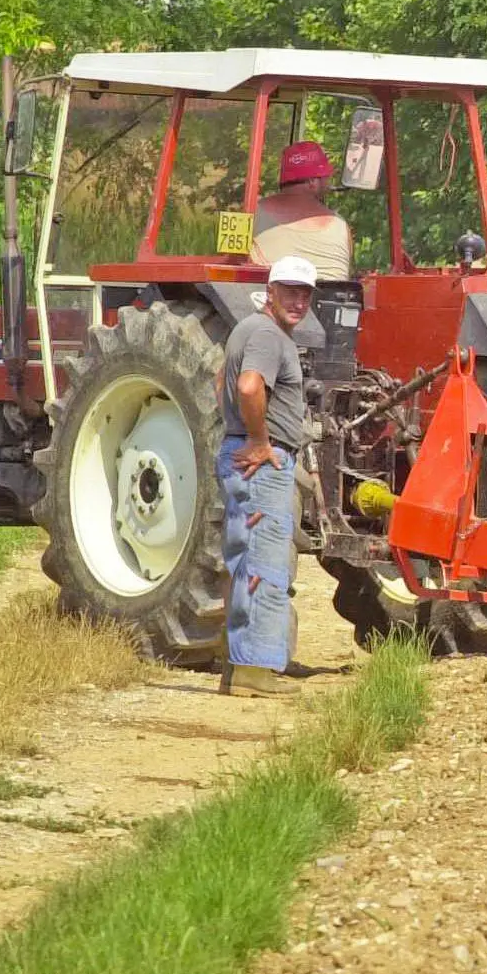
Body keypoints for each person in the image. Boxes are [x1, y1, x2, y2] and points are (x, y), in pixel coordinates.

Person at [215, 254, 316, 697]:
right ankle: (255, 670)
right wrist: (258, 440)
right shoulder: (268, 335)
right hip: (262, 464)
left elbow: (220, 381)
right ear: (270, 291)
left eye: (305, 293)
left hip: (245, 455)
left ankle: (239, 666)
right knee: (265, 567)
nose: (298, 301)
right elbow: (248, 385)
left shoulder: (248, 329)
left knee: (246, 562)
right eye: (289, 291)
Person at [251, 141, 352, 281]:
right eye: (325, 177)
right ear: (312, 182)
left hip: (263, 299)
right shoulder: (340, 226)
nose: (328, 183)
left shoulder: (252, 214)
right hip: (332, 301)